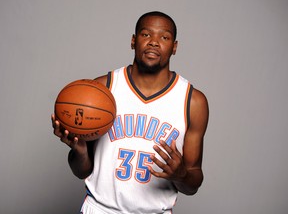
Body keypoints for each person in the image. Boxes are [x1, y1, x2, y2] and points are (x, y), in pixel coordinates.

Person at [52, 11, 209, 214]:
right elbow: (81, 170)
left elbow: (193, 182)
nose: (154, 42)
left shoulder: (192, 101)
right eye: (146, 34)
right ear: (133, 41)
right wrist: (79, 150)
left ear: (175, 47)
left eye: (164, 37)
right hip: (100, 210)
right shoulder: (102, 89)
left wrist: (181, 175)